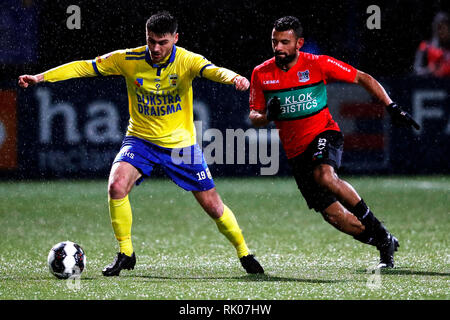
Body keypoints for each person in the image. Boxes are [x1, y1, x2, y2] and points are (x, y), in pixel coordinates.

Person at [18, 11, 264, 276]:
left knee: (214, 206)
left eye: (163, 42)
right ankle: (126, 253)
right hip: (140, 140)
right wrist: (41, 77)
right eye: (151, 41)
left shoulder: (186, 60)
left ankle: (243, 252)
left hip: (181, 146)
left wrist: (235, 78)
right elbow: (83, 66)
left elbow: (212, 70)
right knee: (116, 186)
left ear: (175, 39)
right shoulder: (128, 59)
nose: (156, 48)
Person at [249, 16, 420, 268]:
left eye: (285, 42)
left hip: (324, 134)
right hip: (296, 153)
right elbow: (254, 117)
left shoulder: (317, 64)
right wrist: (266, 116)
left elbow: (363, 78)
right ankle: (383, 240)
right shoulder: (261, 73)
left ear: (300, 43)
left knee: (326, 176)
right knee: (334, 216)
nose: (278, 48)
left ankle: (378, 229)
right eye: (274, 41)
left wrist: (391, 106)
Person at [414, 11, 450, 78]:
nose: (442, 31)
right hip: (430, 86)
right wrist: (429, 70)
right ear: (434, 28)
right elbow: (416, 71)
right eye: (439, 27)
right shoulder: (425, 47)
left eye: (445, 28)